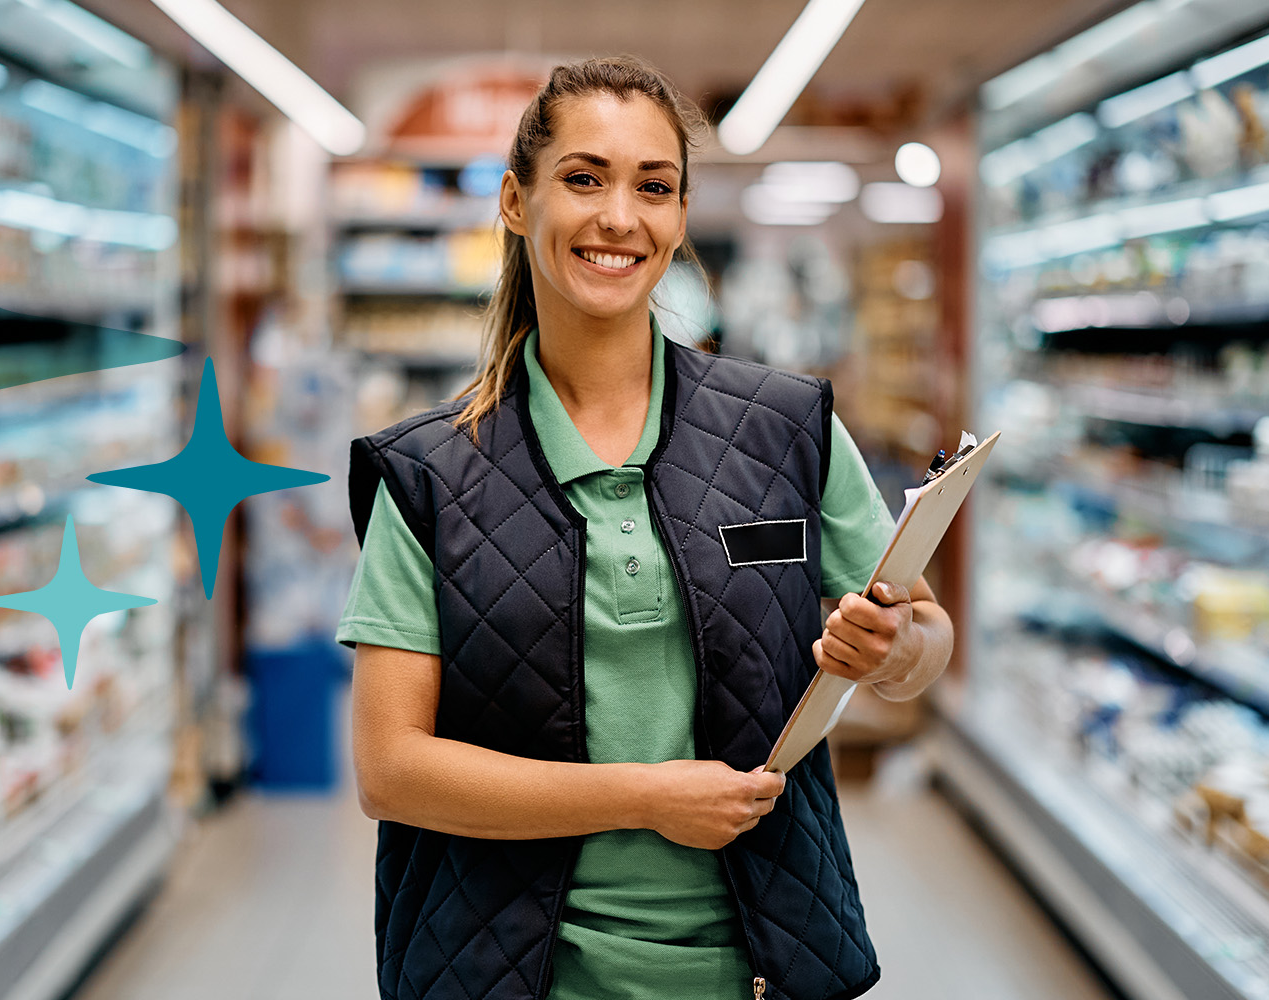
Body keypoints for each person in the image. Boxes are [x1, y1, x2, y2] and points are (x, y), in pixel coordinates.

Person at [338, 55, 955, 1000]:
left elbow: (922, 639)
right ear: (516, 201)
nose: (620, 218)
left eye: (654, 187)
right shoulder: (429, 474)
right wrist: (646, 795)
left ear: (678, 216)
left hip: (758, 965)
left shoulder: (784, 427)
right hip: (516, 973)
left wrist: (896, 646)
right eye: (583, 178)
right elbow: (392, 770)